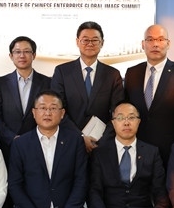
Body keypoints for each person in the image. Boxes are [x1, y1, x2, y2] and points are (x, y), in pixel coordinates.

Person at [123, 24, 174, 166]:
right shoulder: (132, 73)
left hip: (170, 152)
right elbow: (126, 109)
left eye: (161, 39)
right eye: (150, 39)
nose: (155, 44)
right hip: (136, 148)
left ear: (168, 44)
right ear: (143, 44)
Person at [51, 21, 125, 153]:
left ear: (102, 43)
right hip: (69, 143)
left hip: (102, 145)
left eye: (95, 40)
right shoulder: (62, 72)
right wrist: (80, 137)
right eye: (85, 40)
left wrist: (102, 139)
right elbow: (57, 109)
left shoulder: (113, 75)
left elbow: (118, 112)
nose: (90, 44)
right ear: (77, 42)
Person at [0, 35, 51, 164]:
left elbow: (50, 114)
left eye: (27, 51)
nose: (22, 55)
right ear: (11, 56)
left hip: (39, 146)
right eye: (17, 52)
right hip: (8, 147)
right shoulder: (1, 83)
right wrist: (12, 138)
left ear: (34, 55)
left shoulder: (47, 83)